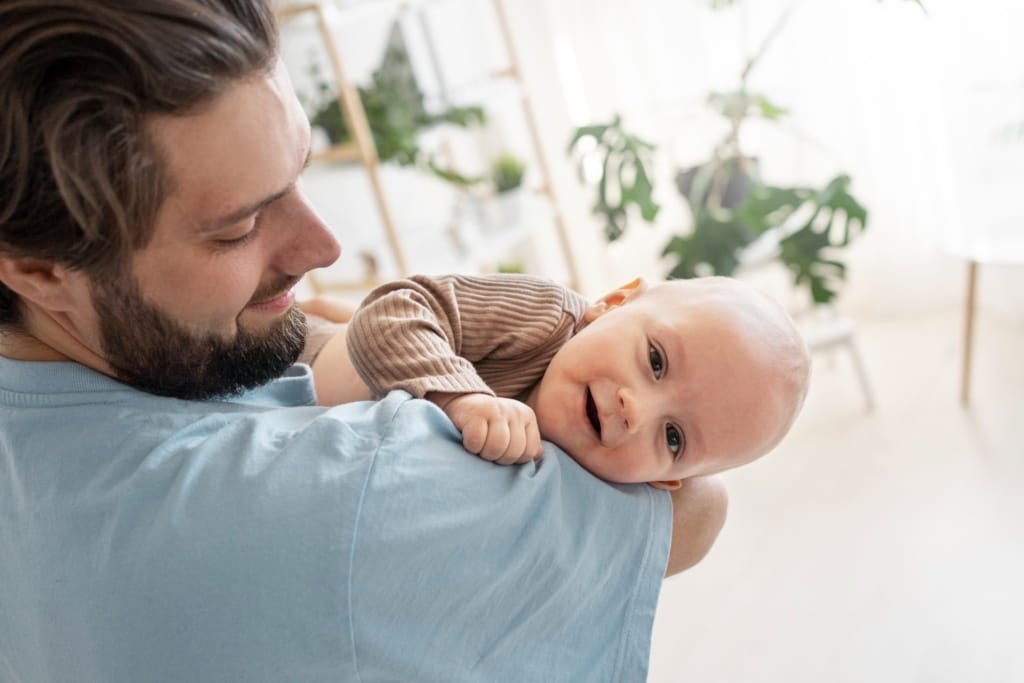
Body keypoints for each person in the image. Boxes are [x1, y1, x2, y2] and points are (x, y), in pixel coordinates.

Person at [0, 2, 728, 681]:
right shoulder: (355, 491)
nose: (324, 246)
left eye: (300, 172)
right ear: (39, 270)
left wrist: (324, 339)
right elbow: (691, 514)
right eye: (238, 228)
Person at [313, 272, 810, 490]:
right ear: (612, 303)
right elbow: (396, 306)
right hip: (306, 360)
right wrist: (461, 397)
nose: (636, 410)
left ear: (662, 481)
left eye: (674, 437)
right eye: (656, 361)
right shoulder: (545, 317)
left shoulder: (594, 491)